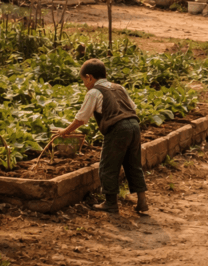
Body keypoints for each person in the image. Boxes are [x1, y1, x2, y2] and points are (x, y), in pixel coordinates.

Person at [58, 59, 148, 214]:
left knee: (108, 166)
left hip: (117, 129)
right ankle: (142, 200)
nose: (84, 84)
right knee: (133, 164)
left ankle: (110, 203)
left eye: (84, 80)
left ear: (89, 77)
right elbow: (132, 107)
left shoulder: (94, 92)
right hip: (134, 125)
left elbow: (81, 119)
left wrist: (66, 131)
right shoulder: (119, 87)